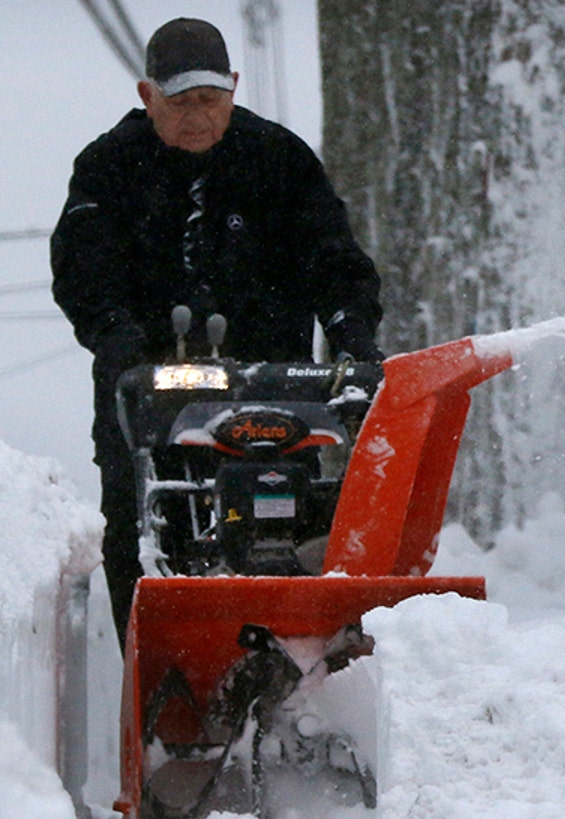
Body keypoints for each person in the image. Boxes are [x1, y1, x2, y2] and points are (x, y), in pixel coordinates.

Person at [51, 17, 383, 644]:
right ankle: (155, 674)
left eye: (211, 100)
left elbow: (336, 264)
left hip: (276, 389)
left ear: (233, 87)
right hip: (145, 397)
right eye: (180, 102)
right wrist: (119, 341)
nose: (197, 116)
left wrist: (352, 335)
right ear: (148, 96)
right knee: (141, 531)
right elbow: (83, 274)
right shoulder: (106, 169)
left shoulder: (280, 161)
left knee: (304, 517)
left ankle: (314, 651)